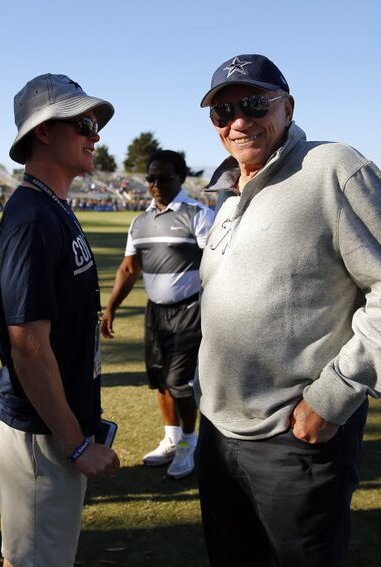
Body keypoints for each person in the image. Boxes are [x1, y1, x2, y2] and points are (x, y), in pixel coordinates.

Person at [194, 54, 381, 566]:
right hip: (217, 431)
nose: (238, 121)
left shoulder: (335, 168)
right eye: (222, 112)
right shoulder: (230, 193)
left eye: (253, 103)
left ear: (288, 106)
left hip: (292, 438)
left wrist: (332, 397)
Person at [0, 73, 120, 567]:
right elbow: (29, 347)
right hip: (43, 431)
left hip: (53, 424)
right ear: (43, 131)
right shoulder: (32, 220)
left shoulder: (52, 206)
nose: (96, 135)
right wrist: (76, 443)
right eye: (84, 123)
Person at [100, 150, 214, 479]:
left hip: (190, 310)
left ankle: (189, 445)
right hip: (155, 313)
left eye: (164, 178)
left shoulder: (198, 215)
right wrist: (111, 308)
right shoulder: (139, 222)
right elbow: (129, 268)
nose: (155, 184)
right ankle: (172, 438)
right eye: (151, 178)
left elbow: (215, 265)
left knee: (180, 382)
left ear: (180, 179)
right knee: (160, 380)